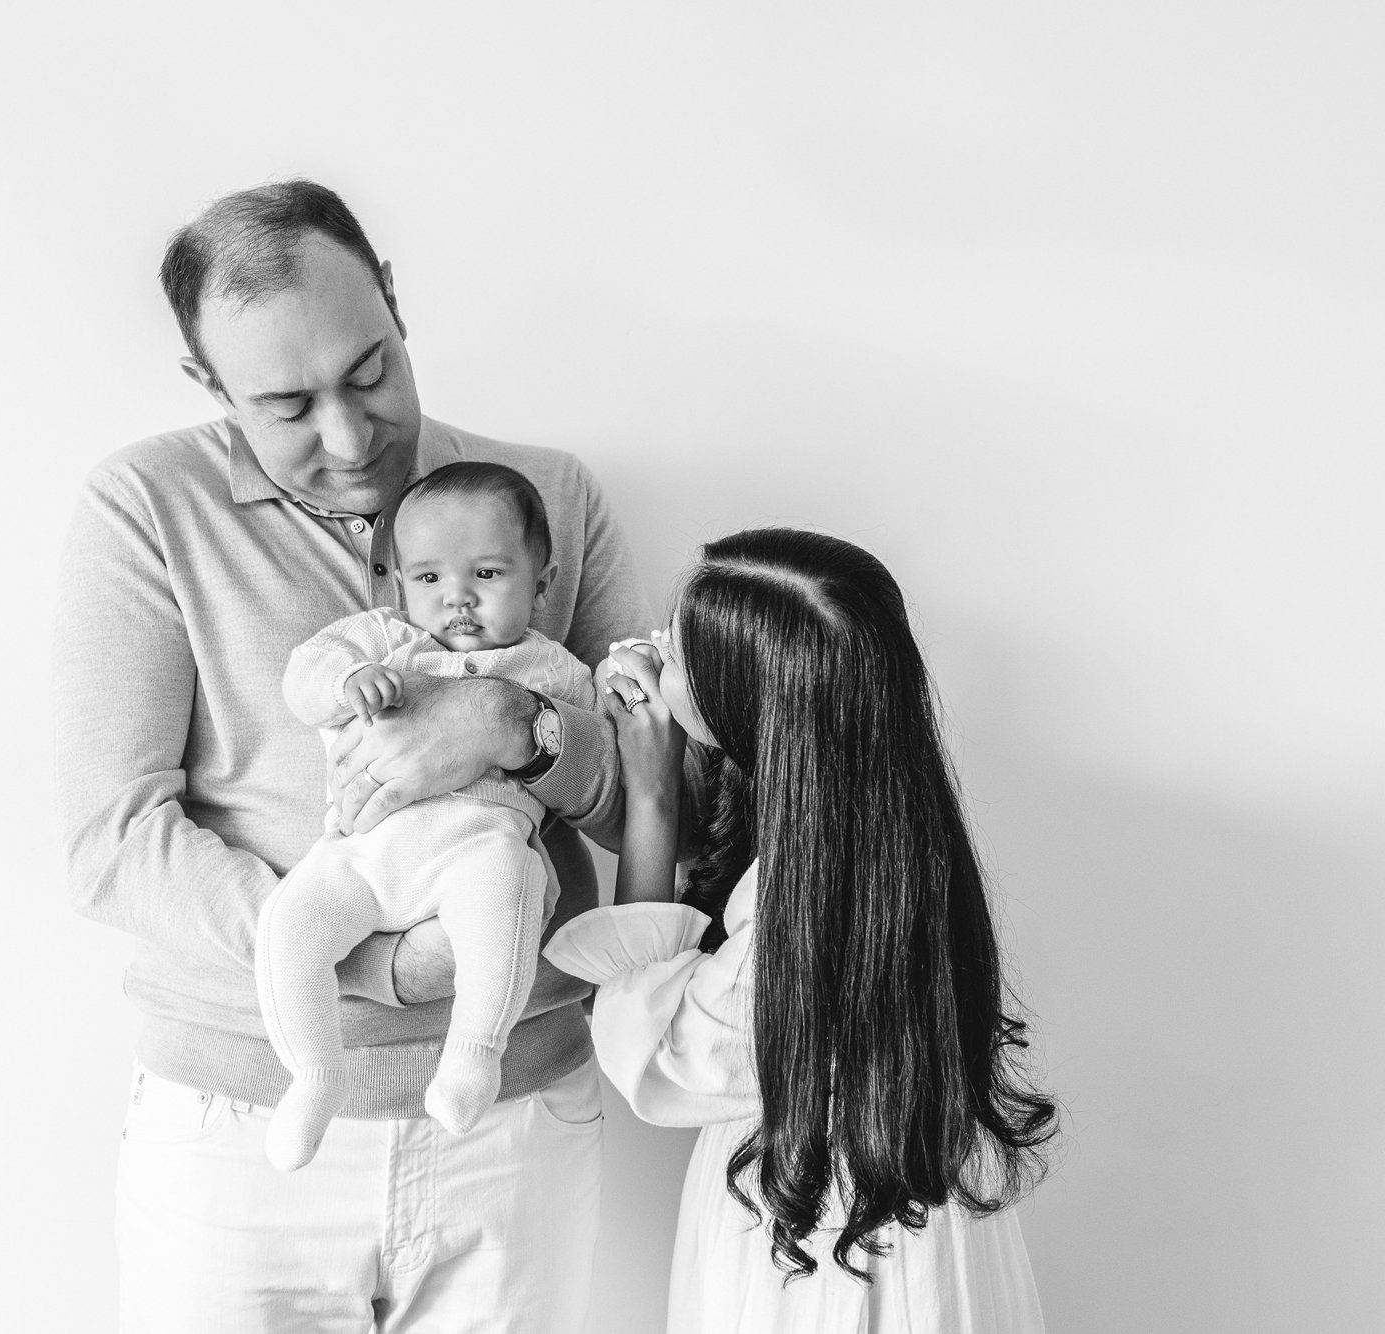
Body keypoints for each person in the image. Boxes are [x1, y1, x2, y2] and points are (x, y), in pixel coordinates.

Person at [52, 180, 652, 1331]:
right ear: (208, 387)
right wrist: (383, 965)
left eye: (368, 372)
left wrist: (511, 729)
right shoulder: (143, 506)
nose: (346, 435)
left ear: (392, 297)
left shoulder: (550, 500)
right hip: (238, 1135)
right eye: (285, 403)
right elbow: (112, 839)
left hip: (512, 1121)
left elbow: (659, 816)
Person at [545, 528, 1057, 1333]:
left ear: (742, 705)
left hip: (812, 1232)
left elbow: (661, 1066)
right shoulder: (896, 822)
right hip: (908, 1192)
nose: (641, 652)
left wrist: (650, 797)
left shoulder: (792, 899)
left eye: (673, 654)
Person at [262, 462, 601, 1170]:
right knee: (288, 927)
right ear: (398, 583)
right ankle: (315, 1073)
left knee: (512, 886)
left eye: (487, 575)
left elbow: (597, 764)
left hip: (475, 849)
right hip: (361, 853)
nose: (458, 601)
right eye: (429, 580)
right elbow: (305, 671)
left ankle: (474, 1054)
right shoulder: (382, 641)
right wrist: (346, 681)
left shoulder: (554, 669)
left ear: (541, 581)